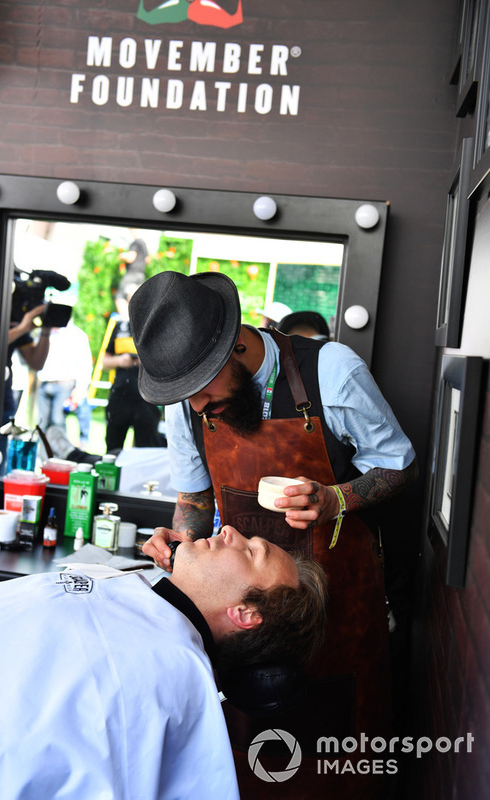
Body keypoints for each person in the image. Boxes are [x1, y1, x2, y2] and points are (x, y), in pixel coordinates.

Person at [129, 270, 418, 798]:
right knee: (252, 763)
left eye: (201, 388)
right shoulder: (189, 403)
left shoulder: (329, 370)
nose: (195, 406)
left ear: (235, 346)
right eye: (184, 394)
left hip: (341, 609)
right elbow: (194, 501)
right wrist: (182, 545)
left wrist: (336, 499)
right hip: (247, 628)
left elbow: (398, 466)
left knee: (340, 760)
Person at [0, 525, 327, 799]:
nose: (229, 530)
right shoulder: (134, 593)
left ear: (245, 613)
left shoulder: (169, 673)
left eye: (249, 552)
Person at [103, 281, 163, 450]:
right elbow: (104, 361)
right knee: (113, 449)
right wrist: (120, 361)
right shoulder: (119, 326)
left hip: (147, 397)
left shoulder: (157, 327)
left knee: (146, 450)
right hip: (120, 395)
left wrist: (144, 361)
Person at [36, 320, 93, 445]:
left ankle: (59, 456)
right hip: (44, 383)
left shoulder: (77, 334)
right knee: (41, 423)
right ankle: (43, 457)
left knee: (58, 422)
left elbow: (85, 363)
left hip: (64, 384)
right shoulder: (46, 332)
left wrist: (81, 387)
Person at [3, 304, 51, 425]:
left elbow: (36, 363)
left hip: (3, 397)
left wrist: (45, 332)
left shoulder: (15, 321)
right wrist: (21, 329)